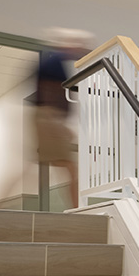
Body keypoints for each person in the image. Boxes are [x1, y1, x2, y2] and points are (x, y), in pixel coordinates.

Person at [34, 28, 91, 208]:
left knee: (65, 168)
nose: (79, 49)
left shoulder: (54, 62)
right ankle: (76, 211)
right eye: (77, 45)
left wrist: (62, 125)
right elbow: (50, 94)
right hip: (49, 117)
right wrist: (56, 121)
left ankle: (75, 210)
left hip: (50, 118)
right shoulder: (54, 62)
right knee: (70, 169)